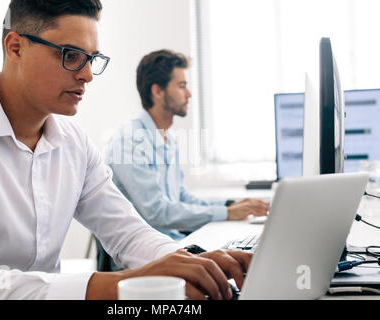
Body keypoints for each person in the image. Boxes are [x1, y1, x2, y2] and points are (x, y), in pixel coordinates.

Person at [0, 0, 252, 300]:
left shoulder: (74, 143)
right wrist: (130, 283)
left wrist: (196, 264)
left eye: (92, 59)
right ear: (16, 47)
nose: (86, 75)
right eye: (70, 55)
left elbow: (129, 233)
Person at [105, 50, 270, 244]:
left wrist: (230, 205)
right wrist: (226, 213)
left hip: (170, 242)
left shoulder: (169, 139)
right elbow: (157, 212)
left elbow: (181, 197)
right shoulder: (129, 141)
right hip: (140, 258)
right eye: (182, 86)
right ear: (157, 91)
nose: (189, 94)